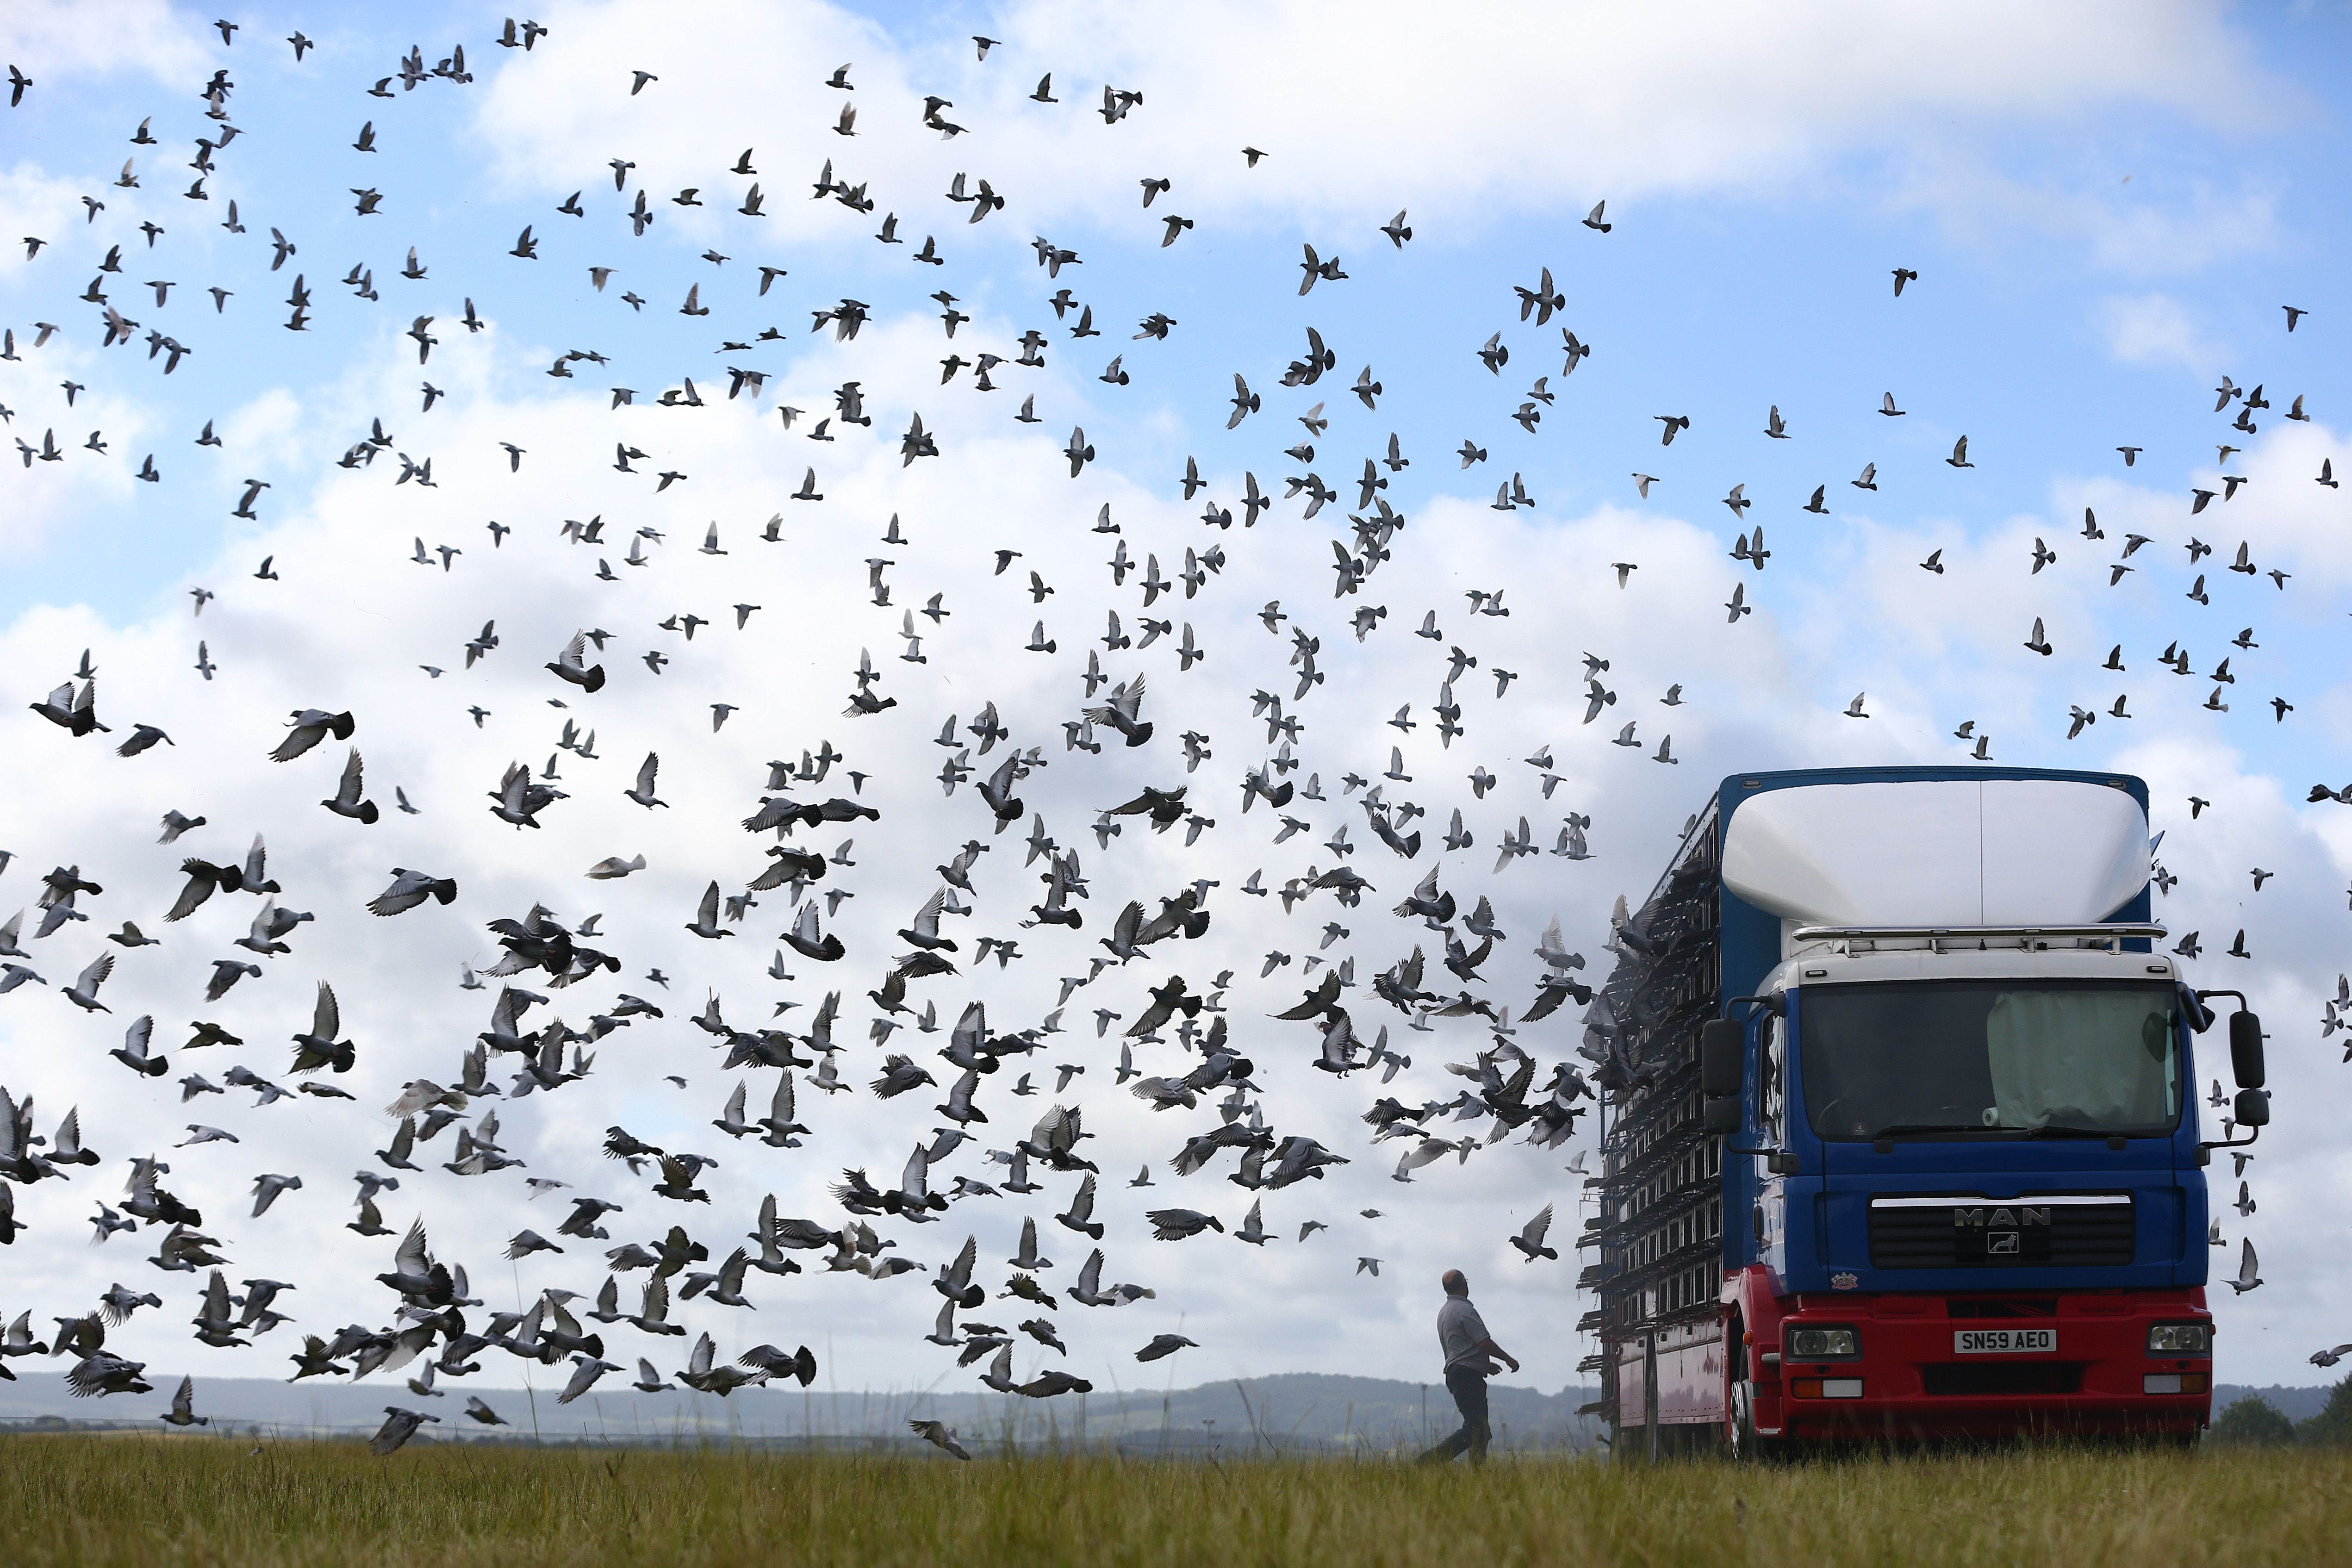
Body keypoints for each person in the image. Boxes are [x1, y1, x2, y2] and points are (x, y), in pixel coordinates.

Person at [1419, 1268, 1518, 1463]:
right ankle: (1428, 1462)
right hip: (1467, 1376)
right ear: (1464, 1284)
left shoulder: (1445, 1312)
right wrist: (1508, 1359)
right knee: (1476, 1429)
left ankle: (1477, 1473)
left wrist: (1483, 1364)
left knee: (1481, 1431)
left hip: (1460, 1373)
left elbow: (1461, 1347)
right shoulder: (1465, 1310)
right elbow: (1484, 1342)